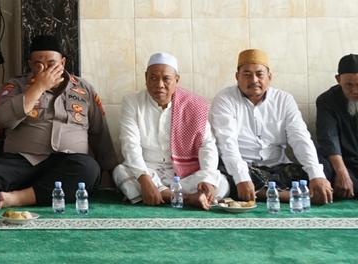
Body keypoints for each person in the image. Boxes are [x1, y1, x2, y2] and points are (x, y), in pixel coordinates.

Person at [0, 35, 116, 217]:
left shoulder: (84, 89)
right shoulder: (16, 86)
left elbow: (100, 132)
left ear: (63, 62)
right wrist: (38, 87)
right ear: (30, 64)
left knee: (88, 169)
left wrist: (112, 173)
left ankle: (17, 198)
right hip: (21, 159)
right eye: (38, 64)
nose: (45, 69)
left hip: (67, 163)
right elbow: (3, 119)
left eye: (52, 64)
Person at [211, 48, 332, 204]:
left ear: (269, 76)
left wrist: (317, 176)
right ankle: (294, 195)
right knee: (226, 177)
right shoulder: (225, 99)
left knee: (324, 169)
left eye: (259, 74)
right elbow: (227, 143)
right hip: (245, 166)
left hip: (278, 167)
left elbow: (300, 138)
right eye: (247, 74)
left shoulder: (284, 100)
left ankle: (265, 193)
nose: (254, 80)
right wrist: (241, 178)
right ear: (237, 77)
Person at [112, 52, 229, 208]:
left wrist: (207, 179)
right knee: (121, 172)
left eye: (166, 78)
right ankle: (187, 198)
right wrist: (145, 179)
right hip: (148, 171)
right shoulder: (133, 102)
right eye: (153, 78)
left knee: (221, 182)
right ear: (146, 78)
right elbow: (129, 144)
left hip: (184, 175)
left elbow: (207, 146)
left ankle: (164, 195)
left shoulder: (193, 105)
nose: (159, 84)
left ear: (176, 80)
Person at [315, 53, 358, 199]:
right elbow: (329, 137)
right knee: (318, 164)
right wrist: (342, 173)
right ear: (338, 79)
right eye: (349, 85)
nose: (355, 91)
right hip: (342, 164)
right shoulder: (327, 100)